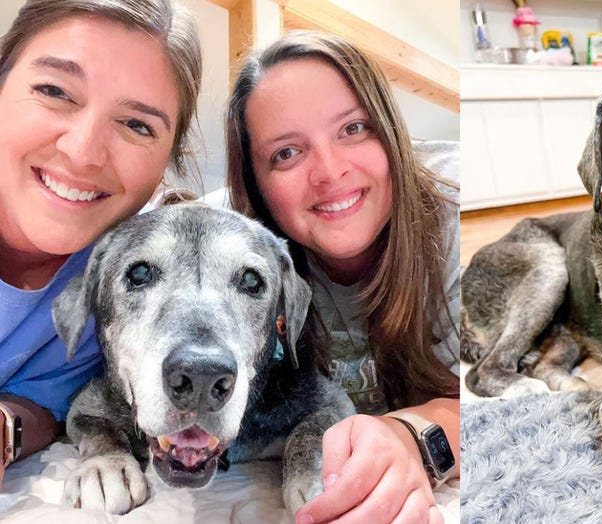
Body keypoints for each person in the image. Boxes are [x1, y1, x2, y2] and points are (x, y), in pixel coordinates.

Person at [226, 31, 459, 523]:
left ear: (390, 131)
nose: (329, 172)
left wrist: (411, 437)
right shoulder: (228, 247)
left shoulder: (459, 219)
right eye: (286, 153)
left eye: (353, 129)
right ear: (255, 185)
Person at [0, 0, 201, 491]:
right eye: (54, 91)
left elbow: (47, 403)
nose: (83, 153)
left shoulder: (124, 291)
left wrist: (7, 429)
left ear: (167, 162)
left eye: (137, 125)